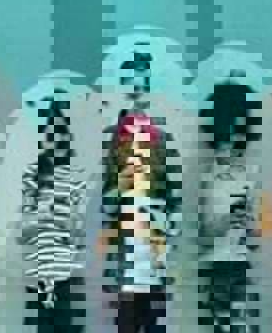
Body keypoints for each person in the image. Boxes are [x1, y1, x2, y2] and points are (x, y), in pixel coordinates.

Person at [100, 112, 178, 333]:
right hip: (126, 278)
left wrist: (160, 231)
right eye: (129, 147)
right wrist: (119, 188)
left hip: (155, 276)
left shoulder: (162, 188)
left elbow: (174, 223)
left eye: (143, 146)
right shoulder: (118, 184)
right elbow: (106, 213)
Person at [20, 97, 91, 333]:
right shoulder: (32, 174)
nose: (54, 139)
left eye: (60, 133)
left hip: (68, 275)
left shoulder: (77, 177)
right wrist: (48, 212)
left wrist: (57, 218)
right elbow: (23, 232)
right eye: (49, 134)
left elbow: (79, 235)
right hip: (38, 276)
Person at [198, 81, 261, 333]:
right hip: (219, 268)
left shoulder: (250, 173)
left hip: (245, 265)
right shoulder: (210, 176)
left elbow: (257, 236)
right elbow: (205, 234)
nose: (230, 145)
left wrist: (250, 223)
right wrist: (228, 220)